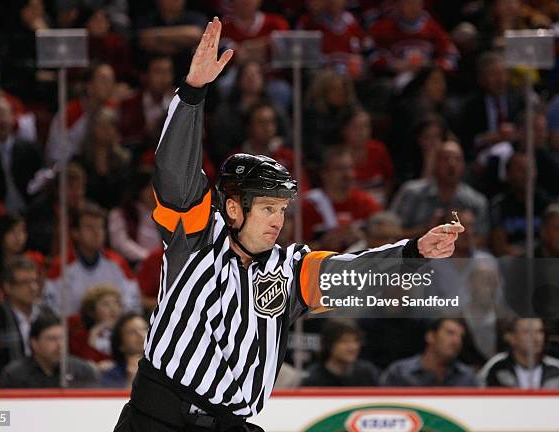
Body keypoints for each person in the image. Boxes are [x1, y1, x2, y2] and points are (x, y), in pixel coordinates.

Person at [113, 18, 463, 432]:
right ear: (234, 209)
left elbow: (353, 276)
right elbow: (174, 174)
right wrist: (192, 94)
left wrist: (414, 252)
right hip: (158, 420)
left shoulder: (289, 270)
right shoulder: (196, 237)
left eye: (282, 209)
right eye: (267, 208)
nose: (278, 220)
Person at [43, 202, 141, 315]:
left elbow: (133, 303)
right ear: (75, 233)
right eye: (89, 227)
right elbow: (50, 307)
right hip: (73, 331)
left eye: (100, 227)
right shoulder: (60, 266)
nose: (96, 233)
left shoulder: (118, 263)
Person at [0, 255, 50, 381]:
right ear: (8, 287)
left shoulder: (49, 315)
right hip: (10, 386)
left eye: (35, 281)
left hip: (48, 384)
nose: (33, 287)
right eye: (25, 283)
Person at [0, 96, 43, 214]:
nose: (2, 120)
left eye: (4, 114)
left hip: (31, 212)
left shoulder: (30, 149)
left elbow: (42, 181)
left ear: (12, 117)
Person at [0, 312, 98, 388]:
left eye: (62, 338)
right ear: (34, 343)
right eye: (52, 339)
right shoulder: (15, 375)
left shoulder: (82, 371)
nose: (60, 345)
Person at [381, 318, 479, 387]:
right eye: (450, 333)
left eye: (461, 337)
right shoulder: (399, 374)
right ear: (430, 336)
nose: (457, 341)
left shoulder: (468, 379)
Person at [479, 318, 559, 389]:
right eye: (527, 332)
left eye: (540, 331)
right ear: (511, 337)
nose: (536, 338)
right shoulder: (495, 367)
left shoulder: (556, 368)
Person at [108, 169, 162, 266]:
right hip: (134, 267)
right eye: (150, 188)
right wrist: (149, 258)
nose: (154, 192)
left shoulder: (167, 215)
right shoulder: (121, 214)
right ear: (139, 190)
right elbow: (120, 243)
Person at [301, 320, 379, 387]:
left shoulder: (367, 374)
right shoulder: (313, 379)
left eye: (355, 341)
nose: (352, 347)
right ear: (329, 345)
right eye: (345, 341)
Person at [68, 284, 123, 367]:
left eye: (116, 303)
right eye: (105, 304)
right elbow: (85, 362)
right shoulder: (80, 336)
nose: (113, 309)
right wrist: (95, 332)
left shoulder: (125, 333)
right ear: (91, 311)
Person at [101, 312, 147, 389]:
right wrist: (131, 380)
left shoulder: (165, 369)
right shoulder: (111, 376)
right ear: (120, 345)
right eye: (132, 332)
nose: (141, 335)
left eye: (145, 329)